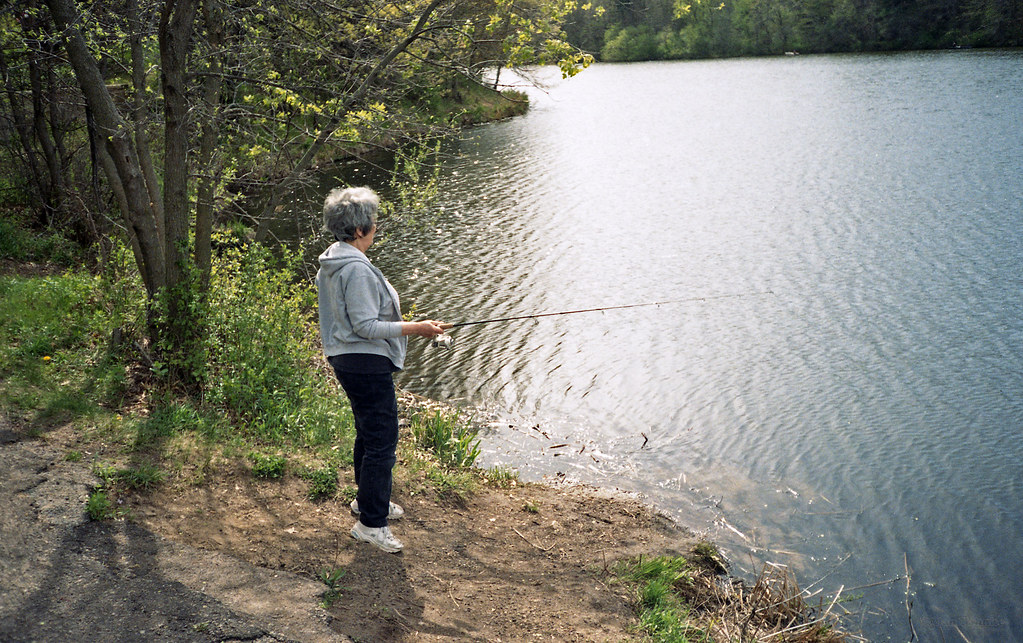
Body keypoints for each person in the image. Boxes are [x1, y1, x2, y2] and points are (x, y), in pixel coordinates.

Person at [316, 186, 447, 553]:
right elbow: (366, 326)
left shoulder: (334, 260)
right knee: (382, 441)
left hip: (348, 358)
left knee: (369, 433)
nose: (376, 227)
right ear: (358, 230)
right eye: (372, 223)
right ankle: (371, 524)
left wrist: (419, 325)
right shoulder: (354, 269)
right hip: (363, 361)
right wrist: (417, 327)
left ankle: (367, 500)